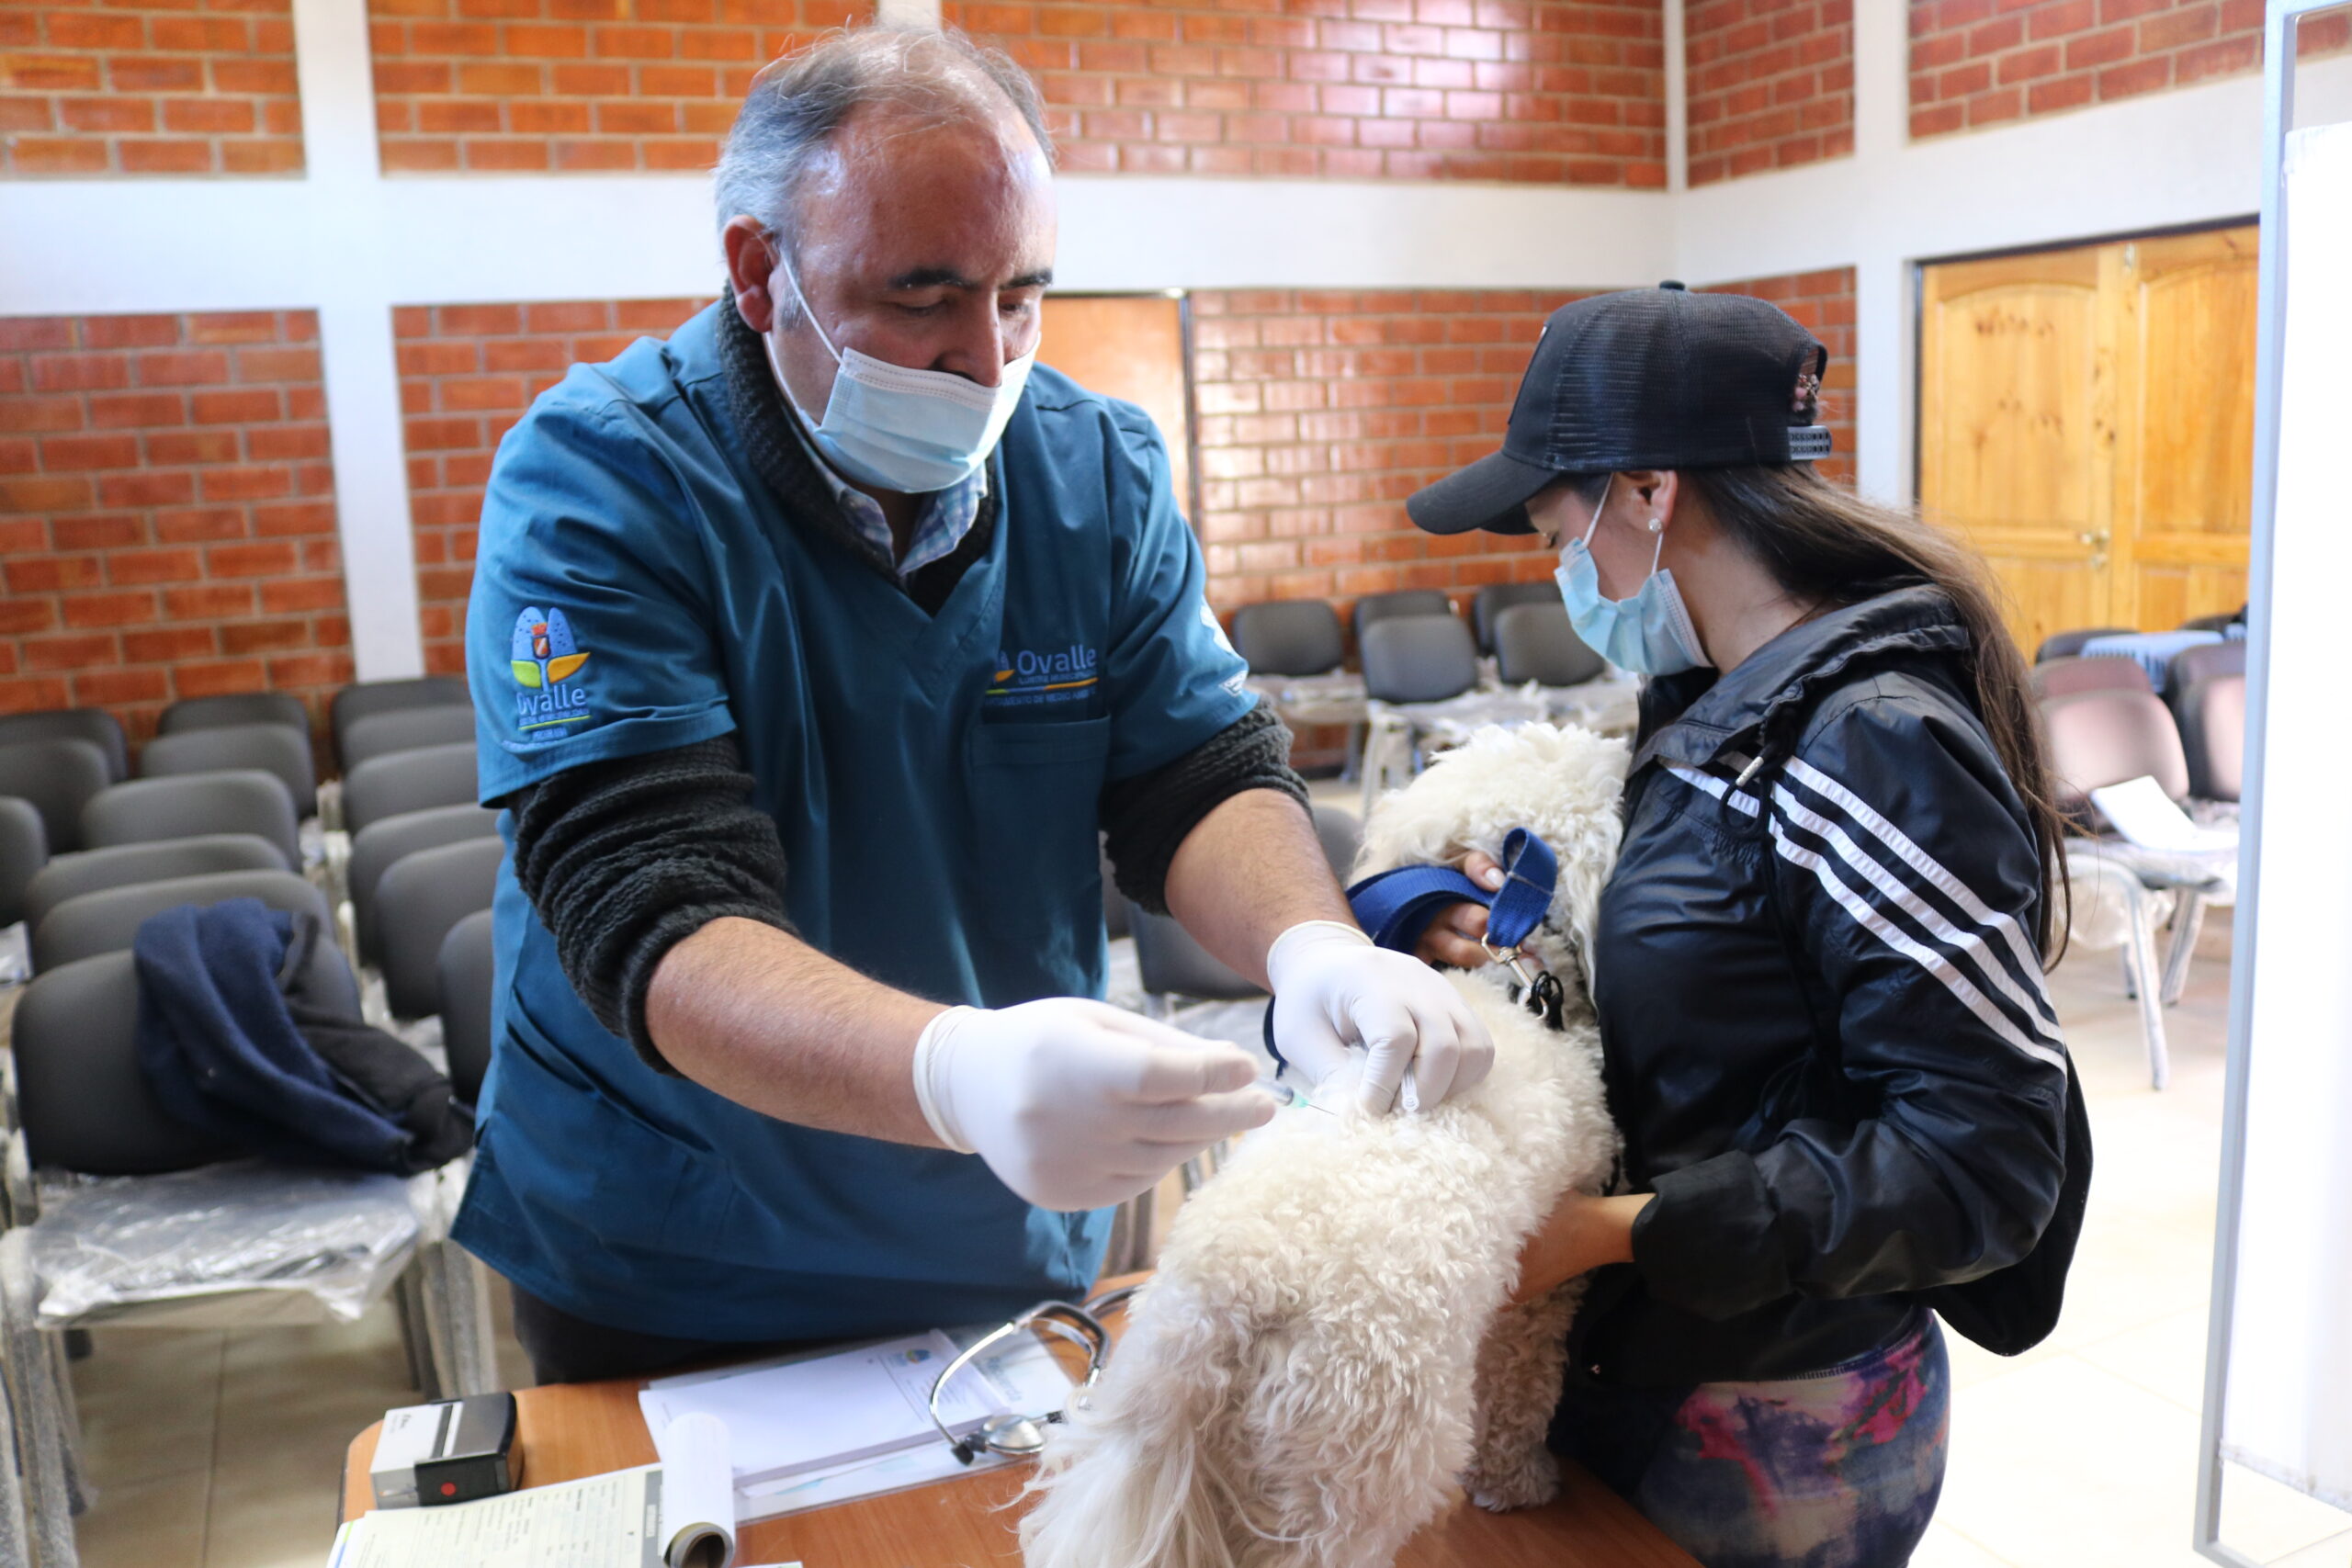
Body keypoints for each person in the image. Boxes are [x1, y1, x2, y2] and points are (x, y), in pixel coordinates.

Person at [456, 25, 1492, 1386]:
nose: (984, 359)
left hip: (1002, 1213)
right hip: (682, 1233)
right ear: (762, 272)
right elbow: (649, 896)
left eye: (1021, 296)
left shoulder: (1093, 469)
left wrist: (1313, 952)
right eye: (925, 296)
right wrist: (955, 1075)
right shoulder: (602, 483)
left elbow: (1193, 770)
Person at [1405, 284, 2091, 1568]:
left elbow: (1983, 1163)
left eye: (1561, 523)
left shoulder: (1868, 745)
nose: (1564, 569)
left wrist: (1612, 1235)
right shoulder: (1715, 702)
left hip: (1778, 1417)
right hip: (1659, 1361)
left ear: (1650, 491)